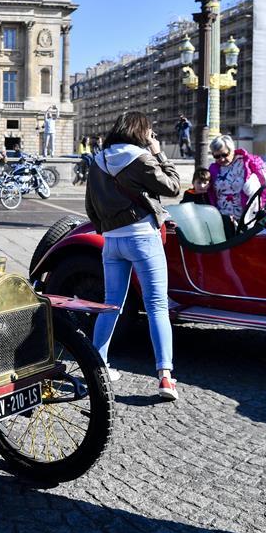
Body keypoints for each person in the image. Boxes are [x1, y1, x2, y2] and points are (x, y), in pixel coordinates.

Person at [84, 111, 181, 400]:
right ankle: (165, 376)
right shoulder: (140, 158)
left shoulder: (98, 161)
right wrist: (159, 152)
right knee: (156, 306)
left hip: (112, 242)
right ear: (142, 132)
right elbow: (173, 186)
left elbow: (90, 206)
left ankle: (97, 365)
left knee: (111, 304)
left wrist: (108, 230)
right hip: (142, 237)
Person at [207, 135, 266, 227]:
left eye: (225, 154)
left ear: (232, 150)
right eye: (217, 156)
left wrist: (263, 207)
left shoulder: (250, 162)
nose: (221, 159)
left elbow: (265, 187)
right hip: (222, 218)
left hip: (247, 218)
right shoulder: (213, 169)